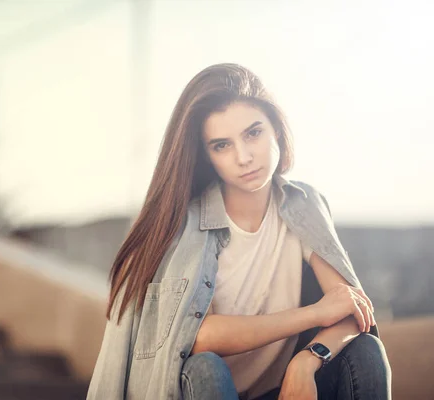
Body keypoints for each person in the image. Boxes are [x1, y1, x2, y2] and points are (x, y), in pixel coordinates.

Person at [87, 63, 391, 400]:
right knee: (206, 368)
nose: (243, 157)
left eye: (253, 133)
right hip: (200, 390)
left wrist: (306, 362)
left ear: (276, 128)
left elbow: (351, 308)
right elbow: (193, 336)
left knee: (365, 350)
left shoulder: (305, 204)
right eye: (221, 145)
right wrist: (314, 314)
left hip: (279, 392)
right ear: (206, 156)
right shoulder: (181, 224)